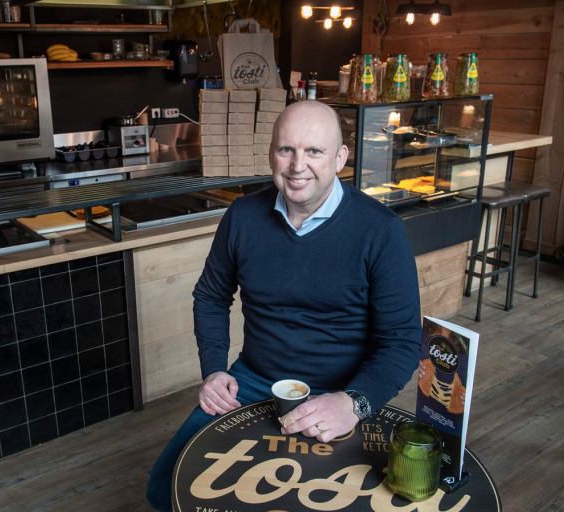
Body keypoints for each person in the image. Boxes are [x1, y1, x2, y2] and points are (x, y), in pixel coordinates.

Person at [146, 100, 422, 511]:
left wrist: (354, 402)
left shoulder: (380, 230)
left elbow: (402, 341)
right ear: (271, 153)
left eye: (314, 151)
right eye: (286, 149)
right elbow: (210, 295)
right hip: (254, 381)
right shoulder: (242, 215)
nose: (297, 166)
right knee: (165, 488)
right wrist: (215, 370)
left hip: (341, 390)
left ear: (340, 158)